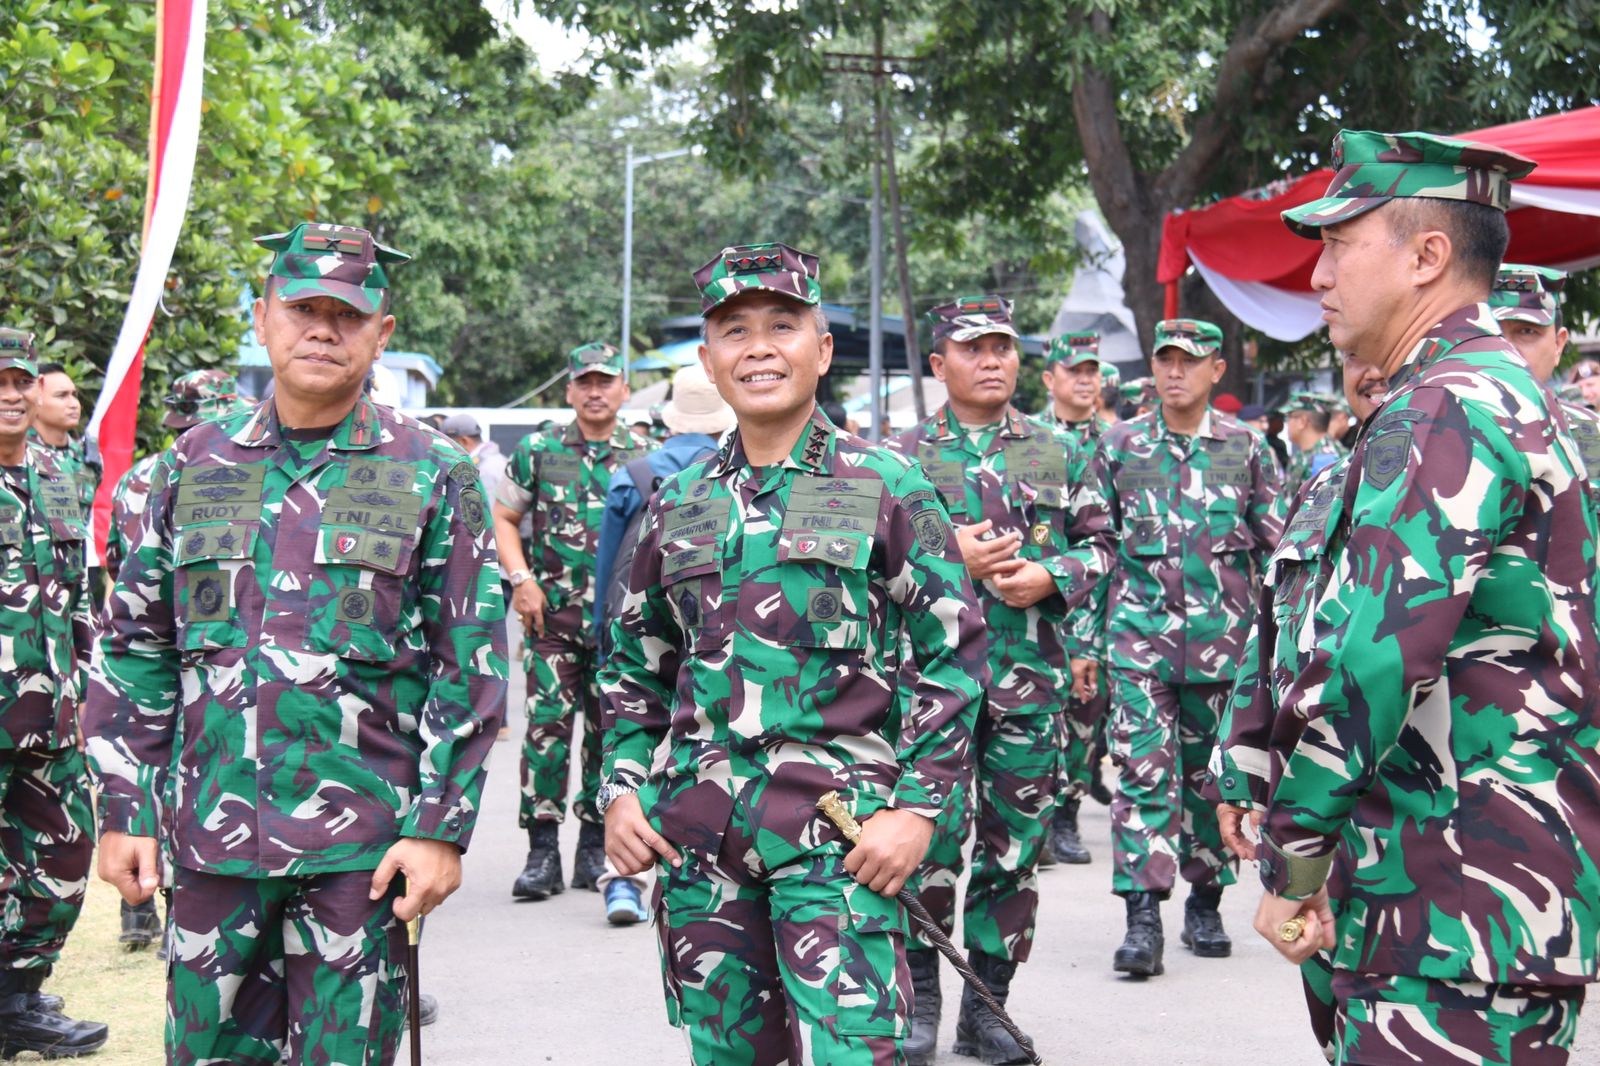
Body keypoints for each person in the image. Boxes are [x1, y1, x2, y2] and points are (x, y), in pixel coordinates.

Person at [85, 222, 507, 1065]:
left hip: (363, 854)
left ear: (382, 332)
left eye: (347, 315)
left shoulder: (432, 471)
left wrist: (439, 827)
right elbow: (135, 644)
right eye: (302, 308)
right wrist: (125, 807)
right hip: (212, 843)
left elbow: (470, 664)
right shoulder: (187, 468)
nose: (323, 329)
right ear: (262, 317)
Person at [1253, 129, 1599, 1064]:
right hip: (1463, 897)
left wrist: (1295, 855)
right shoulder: (1483, 394)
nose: (1317, 273)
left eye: (1339, 243)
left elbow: (1377, 654)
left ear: (1427, 255)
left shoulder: (1446, 405)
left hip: (1452, 901)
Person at [599, 241, 987, 1066]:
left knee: (857, 1056)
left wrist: (916, 813)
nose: (760, 347)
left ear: (823, 349)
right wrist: (621, 791)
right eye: (735, 331)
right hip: (702, 842)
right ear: (709, 360)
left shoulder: (886, 485)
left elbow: (948, 657)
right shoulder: (680, 502)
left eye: (783, 324)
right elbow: (633, 664)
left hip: (841, 837)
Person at [885, 296, 1109, 1063]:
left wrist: (1055, 572)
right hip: (931, 690)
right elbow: (859, 566)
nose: (991, 360)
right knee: (927, 840)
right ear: (938, 362)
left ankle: (989, 1008)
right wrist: (955, 562)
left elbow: (1104, 545)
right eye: (972, 347)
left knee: (1013, 850)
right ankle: (917, 1002)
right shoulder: (897, 455)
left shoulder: (1059, 449)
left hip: (1027, 683)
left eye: (1004, 348)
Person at [1085, 317, 1282, 977]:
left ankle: (1206, 900)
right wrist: (1085, 643)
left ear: (1215, 371)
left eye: (1189, 361)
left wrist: (1278, 646)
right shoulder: (1119, 445)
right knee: (1142, 777)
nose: (1175, 372)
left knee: (1211, 783)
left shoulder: (1245, 448)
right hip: (1140, 646)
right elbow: (1095, 546)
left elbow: (1277, 547)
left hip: (1224, 652)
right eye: (1165, 359)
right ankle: (1142, 917)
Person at [1209, 349, 1390, 1062]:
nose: (1372, 367)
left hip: (1428, 833)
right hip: (1318, 826)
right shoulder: (1325, 489)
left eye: (1389, 351)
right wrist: (1240, 771)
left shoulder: (1479, 478)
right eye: (1356, 358)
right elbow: (1272, 637)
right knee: (1341, 1028)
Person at [492, 344, 647, 900]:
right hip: (551, 619)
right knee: (545, 734)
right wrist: (520, 579)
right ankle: (541, 855)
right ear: (569, 391)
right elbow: (505, 517)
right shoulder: (539, 449)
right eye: (585, 382)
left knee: (609, 738)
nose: (595, 391)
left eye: (606, 381)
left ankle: (593, 848)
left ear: (624, 389)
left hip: (619, 628)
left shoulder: (645, 454)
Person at [104, 368, 248, 954]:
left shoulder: (141, 477)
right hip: (213, 655)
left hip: (167, 647)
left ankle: (142, 914)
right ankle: (181, 915)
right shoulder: (231, 469)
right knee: (198, 783)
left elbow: (124, 567)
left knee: (157, 774)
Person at [588, 362, 733, 926]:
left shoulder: (636, 473)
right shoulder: (729, 471)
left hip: (641, 643)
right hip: (710, 649)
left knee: (624, 760)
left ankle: (623, 878)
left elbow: (610, 576)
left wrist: (608, 646)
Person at [0, 328, 107, 1058]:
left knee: (65, 854)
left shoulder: (55, 472)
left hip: (50, 714)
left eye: (18, 381)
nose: (10, 395)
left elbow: (75, 595)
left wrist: (94, 680)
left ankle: (15, 997)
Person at [1037, 330, 1114, 864]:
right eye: (1074, 371)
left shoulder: (1119, 443)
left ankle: (1066, 814)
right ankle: (1036, 815)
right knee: (1039, 719)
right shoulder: (1031, 441)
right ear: (1050, 379)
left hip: (1105, 607)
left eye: (1092, 371)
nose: (1085, 380)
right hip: (1042, 602)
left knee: (1086, 722)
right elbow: (1031, 526)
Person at [1488, 263, 1600, 488]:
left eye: (1527, 331)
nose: (1507, 349)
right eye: (1491, 332)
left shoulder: (1591, 434)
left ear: (1558, 345)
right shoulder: (1434, 430)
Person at [27, 362, 99, 527]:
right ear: (34, 401)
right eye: (61, 395)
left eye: (74, 395)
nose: (73, 404)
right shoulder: (15, 455)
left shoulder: (87, 458)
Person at [1279, 391, 1344, 499]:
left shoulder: (1324, 458)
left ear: (1302, 422)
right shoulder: (1306, 453)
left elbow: (1319, 508)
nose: (1287, 423)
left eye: (1289, 417)